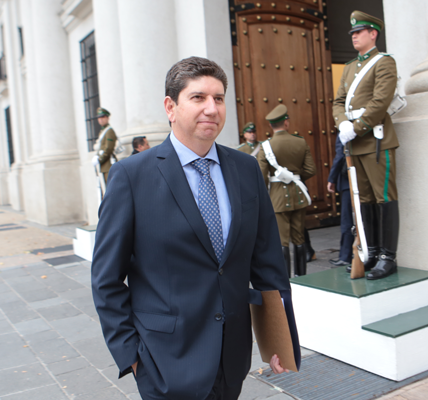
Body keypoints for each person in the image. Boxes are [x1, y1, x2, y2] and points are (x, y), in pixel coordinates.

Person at [91, 57, 296, 400]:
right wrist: (132, 356)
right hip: (163, 362)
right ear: (171, 107)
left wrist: (278, 339)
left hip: (231, 358)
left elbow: (267, 260)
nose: (211, 109)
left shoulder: (246, 168)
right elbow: (106, 279)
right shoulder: (132, 176)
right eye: (198, 98)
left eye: (218, 98)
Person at [332, 11, 400, 280]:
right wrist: (342, 125)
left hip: (375, 142)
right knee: (366, 200)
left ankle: (388, 256)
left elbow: (380, 102)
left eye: (358, 32)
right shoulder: (349, 67)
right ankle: (370, 252)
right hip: (353, 143)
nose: (353, 36)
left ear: (373, 33)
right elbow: (338, 101)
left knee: (384, 197)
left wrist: (357, 128)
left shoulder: (384, 63)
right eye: (352, 33)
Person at [257, 105, 316, 277]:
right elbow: (311, 169)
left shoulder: (266, 146)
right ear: (286, 123)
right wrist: (294, 178)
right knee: (299, 239)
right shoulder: (300, 141)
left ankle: (286, 280)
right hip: (298, 196)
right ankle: (302, 278)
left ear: (271, 126)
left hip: (277, 199)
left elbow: (262, 176)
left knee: (282, 242)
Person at [327, 137, 353, 267]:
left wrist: (332, 179)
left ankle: (345, 255)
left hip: (348, 182)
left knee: (347, 220)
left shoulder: (345, 131)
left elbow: (340, 156)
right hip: (364, 180)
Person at [91, 107, 117, 184]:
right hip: (104, 166)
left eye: (103, 117)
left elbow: (108, 148)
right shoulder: (103, 131)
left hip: (109, 165)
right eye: (99, 118)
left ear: (107, 118)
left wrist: (99, 159)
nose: (100, 119)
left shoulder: (109, 131)